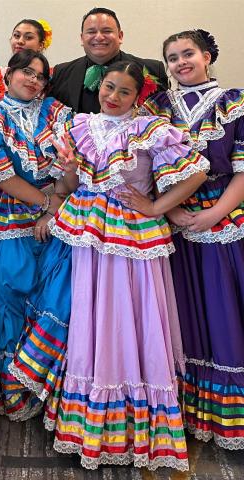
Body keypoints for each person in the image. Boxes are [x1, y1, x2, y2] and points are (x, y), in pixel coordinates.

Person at [45, 61, 209, 470]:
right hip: (87, 233)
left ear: (138, 97)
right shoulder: (80, 126)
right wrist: (66, 173)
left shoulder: (151, 129)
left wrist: (155, 206)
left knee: (132, 314)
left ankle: (133, 422)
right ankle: (94, 421)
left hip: (133, 234)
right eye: (109, 87)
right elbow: (68, 186)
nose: (112, 96)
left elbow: (197, 173)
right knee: (91, 313)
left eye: (123, 92)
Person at [141, 30, 244, 450]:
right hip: (172, 224)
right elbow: (141, 168)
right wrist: (172, 210)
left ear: (207, 56)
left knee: (224, 313)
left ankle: (228, 417)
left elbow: (242, 169)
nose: (181, 62)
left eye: (188, 54)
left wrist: (215, 213)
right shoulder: (155, 106)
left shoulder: (235, 101)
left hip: (224, 219)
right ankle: (185, 411)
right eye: (172, 57)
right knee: (179, 315)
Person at [0, 49, 72, 420]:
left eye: (40, 76)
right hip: (11, 213)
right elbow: (0, 173)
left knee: (49, 294)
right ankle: (10, 385)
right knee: (12, 291)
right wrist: (47, 203)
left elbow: (70, 165)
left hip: (58, 211)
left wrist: (55, 202)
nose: (32, 80)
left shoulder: (59, 113)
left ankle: (43, 381)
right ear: (9, 74)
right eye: (26, 72)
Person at [50, 7, 168, 113]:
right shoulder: (61, 73)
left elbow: (164, 116)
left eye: (107, 31)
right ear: (82, 38)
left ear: (120, 36)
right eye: (91, 32)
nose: (99, 37)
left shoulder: (152, 70)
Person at [0, 19, 53, 97]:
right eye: (16, 36)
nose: (20, 41)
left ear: (41, 45)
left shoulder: (52, 77)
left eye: (28, 37)